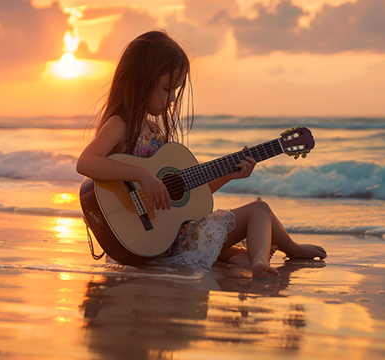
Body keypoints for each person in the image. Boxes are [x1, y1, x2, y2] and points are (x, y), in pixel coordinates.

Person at [76, 30, 326, 279]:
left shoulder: (154, 131)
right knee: (259, 210)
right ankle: (276, 255)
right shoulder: (121, 124)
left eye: (175, 90)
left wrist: (229, 174)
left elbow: (187, 198)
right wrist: (142, 175)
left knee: (237, 254)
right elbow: (86, 162)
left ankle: (259, 258)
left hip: (165, 239)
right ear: (141, 79)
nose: (172, 98)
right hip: (150, 240)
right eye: (166, 88)